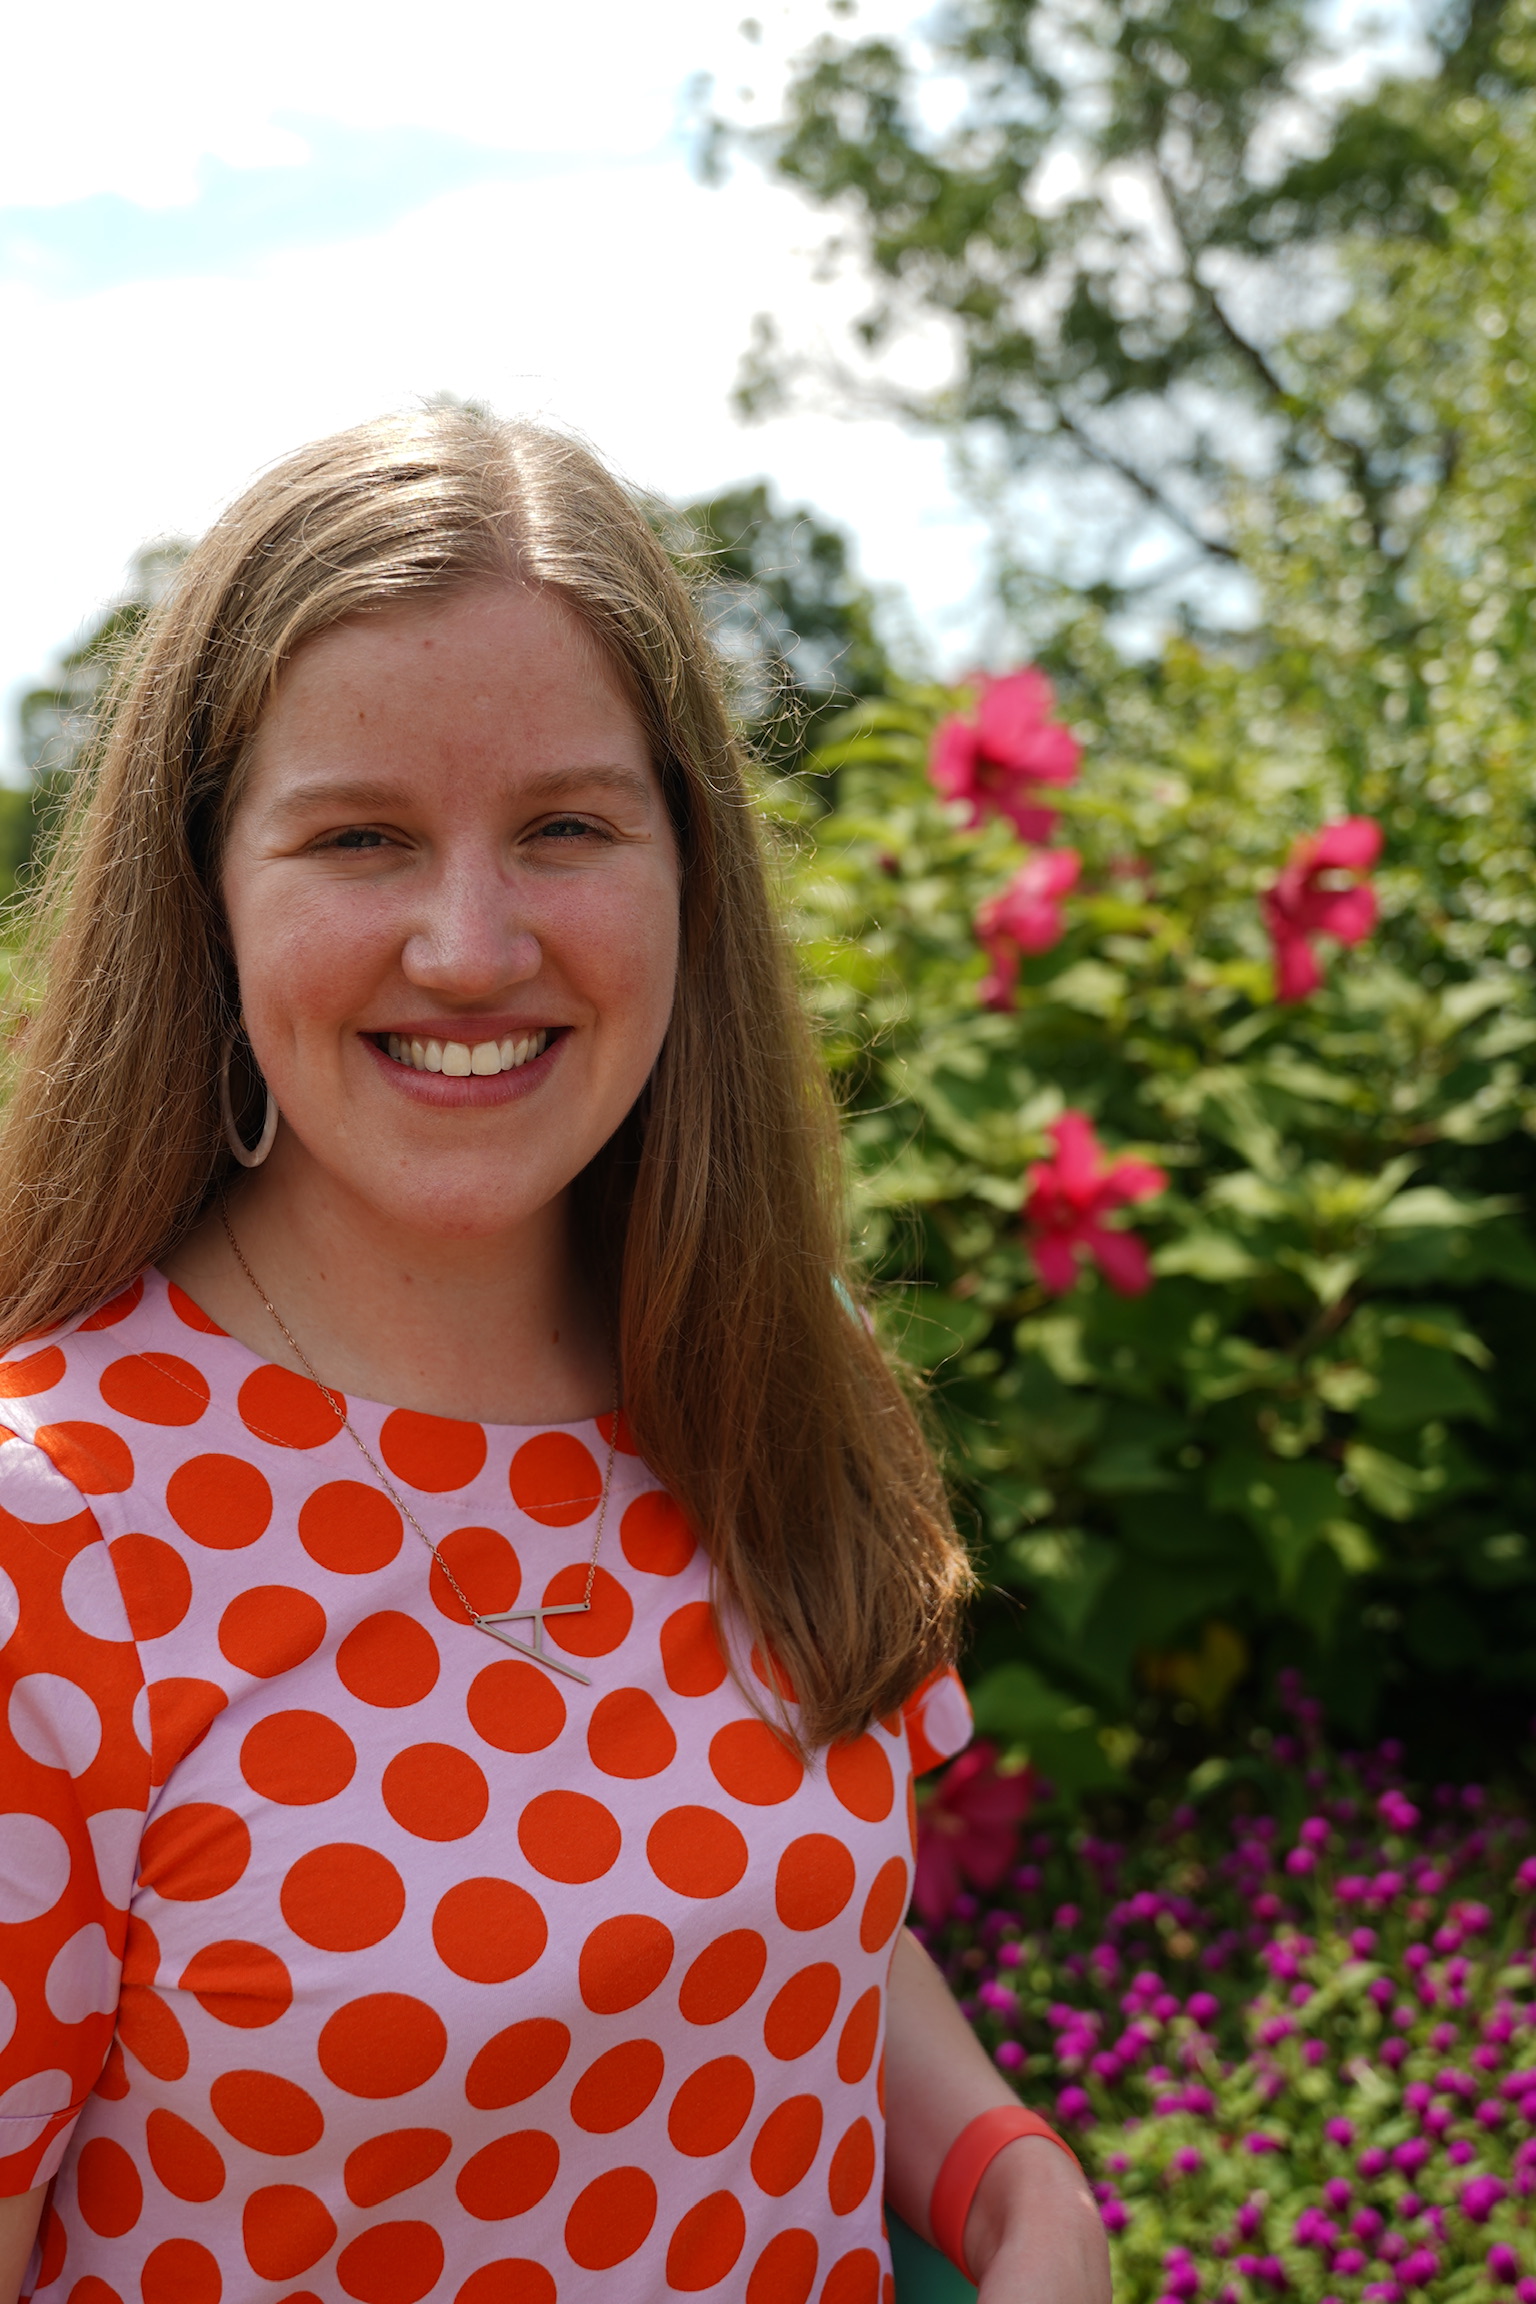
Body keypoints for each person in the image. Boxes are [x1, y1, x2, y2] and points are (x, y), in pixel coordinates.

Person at [0, 408, 1110, 2304]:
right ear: (206, 898)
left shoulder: (772, 1361)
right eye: (359, 837)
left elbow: (771, 1909)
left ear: (691, 871)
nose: (467, 942)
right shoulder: (53, 1538)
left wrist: (1016, 2186)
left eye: (566, 828)